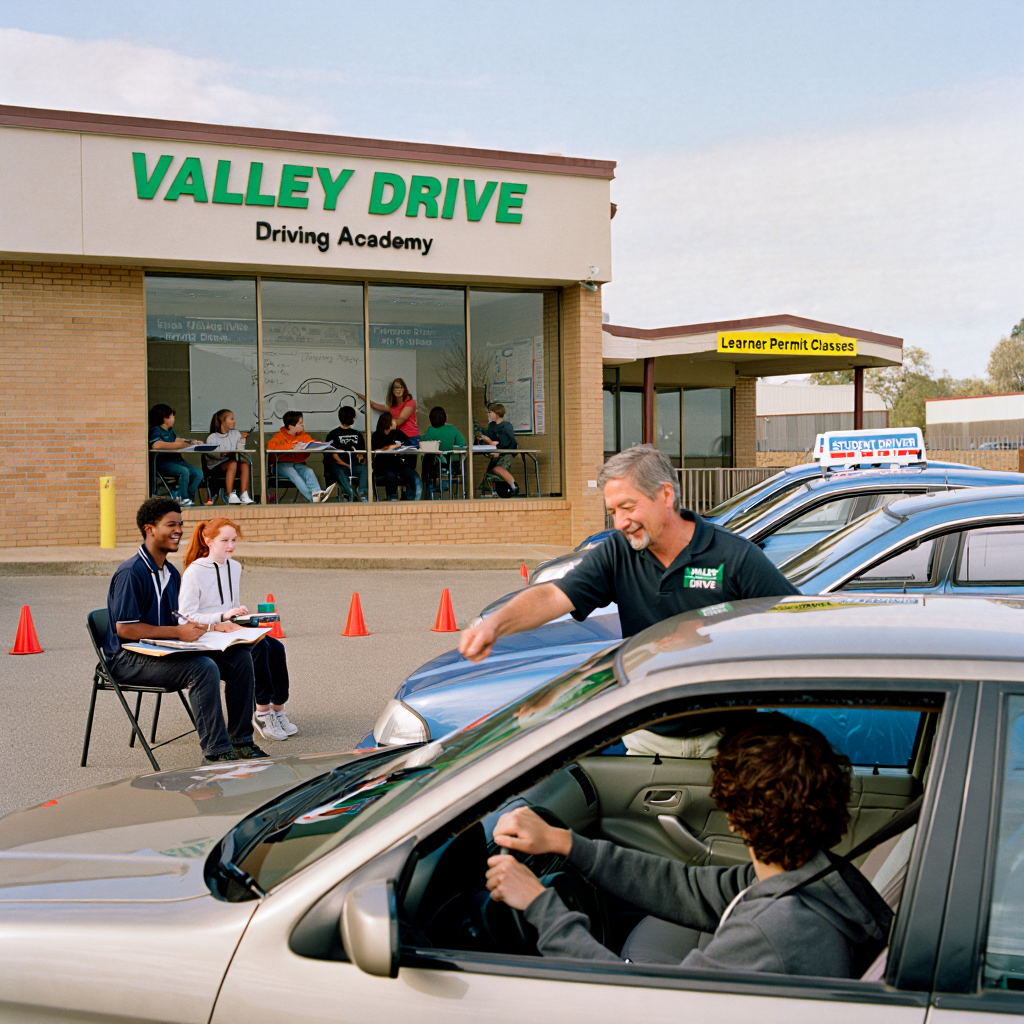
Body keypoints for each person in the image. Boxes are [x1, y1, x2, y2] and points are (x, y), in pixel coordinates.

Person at [484, 715, 893, 976]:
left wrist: (541, 905)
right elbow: (689, 888)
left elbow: (632, 1008)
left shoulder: (771, 932)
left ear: (734, 818)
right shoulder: (814, 873)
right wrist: (566, 843)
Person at [459, 445, 799, 662]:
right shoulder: (618, 553)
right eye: (613, 511)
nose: (621, 522)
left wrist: (709, 636)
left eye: (628, 507)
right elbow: (552, 596)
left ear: (666, 495)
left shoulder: (734, 556)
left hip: (722, 736)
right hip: (645, 731)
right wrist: (494, 626)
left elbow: (798, 626)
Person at [103, 497, 266, 764]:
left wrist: (213, 626)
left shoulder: (169, 572)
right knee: (202, 668)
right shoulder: (131, 572)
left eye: (180, 524)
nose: (178, 529)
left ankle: (242, 742)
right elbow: (126, 630)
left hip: (163, 650)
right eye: (171, 524)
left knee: (240, 659)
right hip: (128, 658)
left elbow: (178, 618)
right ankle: (217, 751)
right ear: (150, 529)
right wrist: (179, 634)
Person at [179, 517, 296, 744]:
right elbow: (187, 616)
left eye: (234, 540)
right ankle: (262, 713)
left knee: (277, 648)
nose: (230, 545)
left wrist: (240, 614)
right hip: (207, 633)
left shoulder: (234, 567)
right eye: (224, 540)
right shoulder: (194, 572)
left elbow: (229, 605)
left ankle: (277, 708)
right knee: (260, 648)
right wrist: (220, 617)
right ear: (208, 540)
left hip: (231, 628)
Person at [267, 410, 335, 503]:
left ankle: (317, 492)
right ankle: (312, 498)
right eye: (300, 423)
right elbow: (270, 448)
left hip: (297, 464)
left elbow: (312, 442)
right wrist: (292, 447)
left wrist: (323, 445)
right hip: (281, 465)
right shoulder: (278, 436)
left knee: (309, 471)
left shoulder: (303, 435)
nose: (303, 425)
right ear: (291, 426)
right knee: (294, 474)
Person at [149, 404, 203, 507]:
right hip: (164, 463)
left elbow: (176, 440)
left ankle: (189, 498)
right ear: (165, 418)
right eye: (172, 416)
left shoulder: (170, 431)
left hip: (177, 461)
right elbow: (156, 444)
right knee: (184, 472)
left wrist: (193, 442)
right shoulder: (155, 430)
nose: (174, 419)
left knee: (198, 473)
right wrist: (179, 446)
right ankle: (182, 498)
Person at [206, 409, 254, 505]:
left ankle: (244, 494)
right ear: (223, 421)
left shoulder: (235, 433)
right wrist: (223, 454)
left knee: (245, 464)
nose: (234, 421)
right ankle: (230, 495)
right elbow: (210, 454)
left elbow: (239, 450)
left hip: (232, 461)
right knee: (232, 464)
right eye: (231, 419)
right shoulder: (212, 437)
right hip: (216, 466)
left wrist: (241, 439)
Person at [371, 411, 419, 500]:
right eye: (394, 420)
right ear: (387, 421)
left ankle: (410, 498)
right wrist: (392, 446)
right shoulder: (376, 435)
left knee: (412, 475)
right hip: (382, 465)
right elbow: (375, 450)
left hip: (397, 464)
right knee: (391, 476)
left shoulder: (398, 433)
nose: (396, 422)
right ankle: (392, 498)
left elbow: (407, 444)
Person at [359, 378, 419, 446]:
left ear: (404, 389)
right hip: (398, 436)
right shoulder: (393, 407)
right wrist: (361, 396)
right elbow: (374, 405)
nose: (398, 390)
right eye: (395, 388)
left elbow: (401, 419)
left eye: (400, 387)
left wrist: (388, 425)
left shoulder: (410, 403)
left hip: (411, 437)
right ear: (392, 390)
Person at [325, 405, 368, 502]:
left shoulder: (358, 434)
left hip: (354, 465)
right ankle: (349, 493)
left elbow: (361, 453)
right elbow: (333, 454)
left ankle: (362, 491)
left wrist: (361, 459)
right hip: (340, 465)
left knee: (365, 468)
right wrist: (346, 465)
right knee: (338, 471)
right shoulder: (333, 434)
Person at [422, 406, 466, 497]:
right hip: (451, 464)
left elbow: (424, 444)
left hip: (435, 464)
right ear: (445, 417)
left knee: (426, 458)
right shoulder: (452, 429)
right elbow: (462, 442)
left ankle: (426, 486)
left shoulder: (430, 430)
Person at [477, 403, 519, 497]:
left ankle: (514, 486)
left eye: (490, 412)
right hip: (496, 453)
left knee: (498, 468)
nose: (488, 414)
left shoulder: (506, 426)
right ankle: (491, 491)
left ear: (496, 413)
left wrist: (492, 444)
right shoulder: (492, 426)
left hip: (506, 453)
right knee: (490, 473)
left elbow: (508, 442)